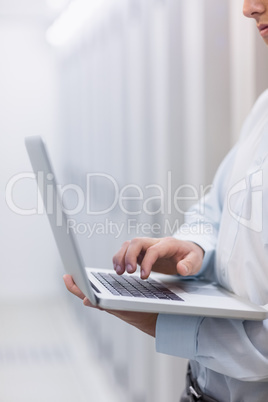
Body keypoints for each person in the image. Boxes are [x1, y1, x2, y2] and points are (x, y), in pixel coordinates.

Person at [64, 0, 268, 400]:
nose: (248, 8)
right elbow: (216, 209)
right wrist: (194, 246)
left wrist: (158, 322)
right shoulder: (265, 109)